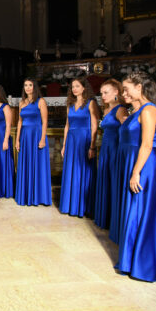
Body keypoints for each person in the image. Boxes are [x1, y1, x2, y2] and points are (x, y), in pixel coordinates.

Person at [116, 72, 156, 285]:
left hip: (145, 167)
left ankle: (144, 264)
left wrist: (136, 172)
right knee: (135, 212)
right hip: (136, 163)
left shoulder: (149, 110)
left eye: (126, 89)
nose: (123, 93)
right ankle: (132, 260)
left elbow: (147, 145)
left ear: (139, 87)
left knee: (142, 212)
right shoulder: (138, 109)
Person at [59, 76, 100, 217]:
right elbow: (67, 125)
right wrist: (64, 145)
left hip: (84, 140)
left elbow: (94, 125)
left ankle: (84, 207)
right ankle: (70, 205)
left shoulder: (91, 103)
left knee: (83, 170)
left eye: (77, 86)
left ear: (84, 87)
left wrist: (92, 146)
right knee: (71, 171)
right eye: (72, 87)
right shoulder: (70, 104)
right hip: (71, 140)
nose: (74, 89)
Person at [94, 79, 127, 232]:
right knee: (105, 180)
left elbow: (127, 130)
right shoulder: (107, 110)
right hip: (105, 149)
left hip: (115, 149)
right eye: (101, 93)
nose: (103, 96)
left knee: (113, 181)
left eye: (106, 93)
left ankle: (114, 220)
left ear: (116, 92)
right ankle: (105, 218)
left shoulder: (121, 109)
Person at [15, 78, 51, 206]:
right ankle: (26, 195)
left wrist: (42, 138)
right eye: (25, 85)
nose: (28, 87)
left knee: (37, 165)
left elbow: (45, 122)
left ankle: (38, 196)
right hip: (25, 136)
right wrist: (17, 139)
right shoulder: (22, 103)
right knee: (26, 164)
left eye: (30, 85)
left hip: (36, 135)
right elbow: (20, 122)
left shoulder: (41, 101)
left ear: (34, 87)